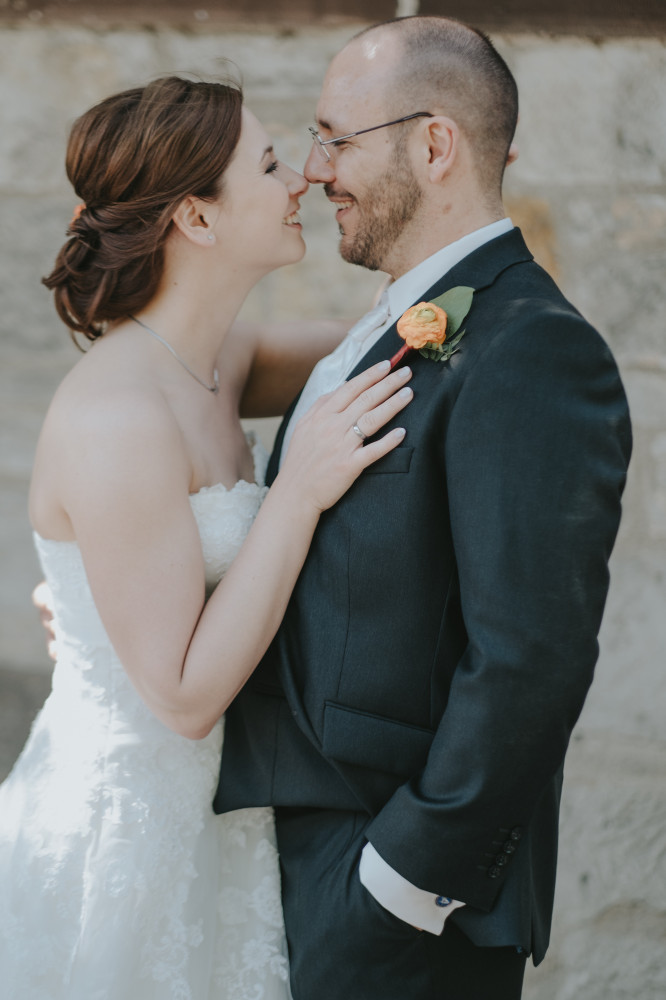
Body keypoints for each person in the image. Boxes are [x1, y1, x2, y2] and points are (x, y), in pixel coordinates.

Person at [214, 16, 633, 1000]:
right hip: (297, 868)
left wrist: (395, 885)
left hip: (392, 906)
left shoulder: (533, 348)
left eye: (337, 138)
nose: (317, 171)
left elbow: (531, 655)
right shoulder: (386, 325)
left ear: (434, 144)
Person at [0, 76, 414, 999]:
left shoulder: (221, 361)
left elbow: (397, 339)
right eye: (269, 165)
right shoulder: (118, 416)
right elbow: (182, 699)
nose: (300, 178)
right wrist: (296, 491)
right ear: (197, 216)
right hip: (125, 832)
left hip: (226, 814)